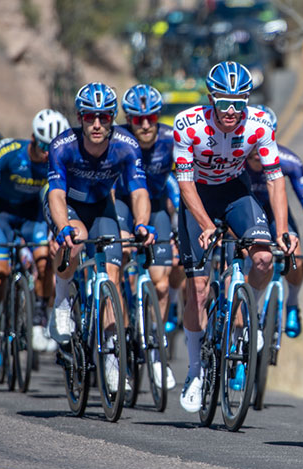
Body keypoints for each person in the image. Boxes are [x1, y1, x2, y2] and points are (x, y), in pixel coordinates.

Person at [174, 61, 296, 412]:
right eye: (223, 102)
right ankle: (196, 370)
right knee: (197, 288)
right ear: (211, 98)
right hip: (196, 195)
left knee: (263, 258)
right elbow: (183, 182)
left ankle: (249, 313)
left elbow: (274, 180)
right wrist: (205, 224)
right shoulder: (188, 125)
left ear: (247, 100)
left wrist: (283, 230)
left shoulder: (259, 124)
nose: (231, 110)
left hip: (234, 192)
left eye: (238, 102)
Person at [46, 82, 156, 393]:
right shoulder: (62, 145)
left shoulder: (126, 145)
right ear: (80, 117)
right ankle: (63, 299)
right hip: (67, 205)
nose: (96, 124)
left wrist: (143, 224)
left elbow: (139, 193)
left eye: (104, 117)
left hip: (101, 206)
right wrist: (62, 227)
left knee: (113, 270)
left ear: (112, 118)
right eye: (90, 117)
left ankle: (112, 356)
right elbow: (55, 194)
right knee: (77, 238)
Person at [115, 83, 177, 390]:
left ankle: (156, 350)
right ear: (128, 119)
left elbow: (185, 180)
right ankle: (121, 336)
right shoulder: (118, 138)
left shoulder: (170, 139)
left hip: (156, 210)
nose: (144, 124)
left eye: (150, 117)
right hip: (121, 206)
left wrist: (179, 223)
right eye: (137, 119)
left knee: (162, 283)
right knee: (121, 261)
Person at [0, 109, 69, 356]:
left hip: (33, 216)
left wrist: (56, 231)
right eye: (42, 145)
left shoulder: (57, 161)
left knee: (45, 261)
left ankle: (38, 319)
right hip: (0, 215)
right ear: (33, 138)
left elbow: (59, 200)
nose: (47, 153)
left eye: (53, 147)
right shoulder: (8, 152)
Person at [245, 105, 303, 337]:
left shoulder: (289, 161)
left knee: (295, 249)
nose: (258, 151)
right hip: (247, 213)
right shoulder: (236, 160)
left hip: (274, 213)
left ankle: (292, 303)